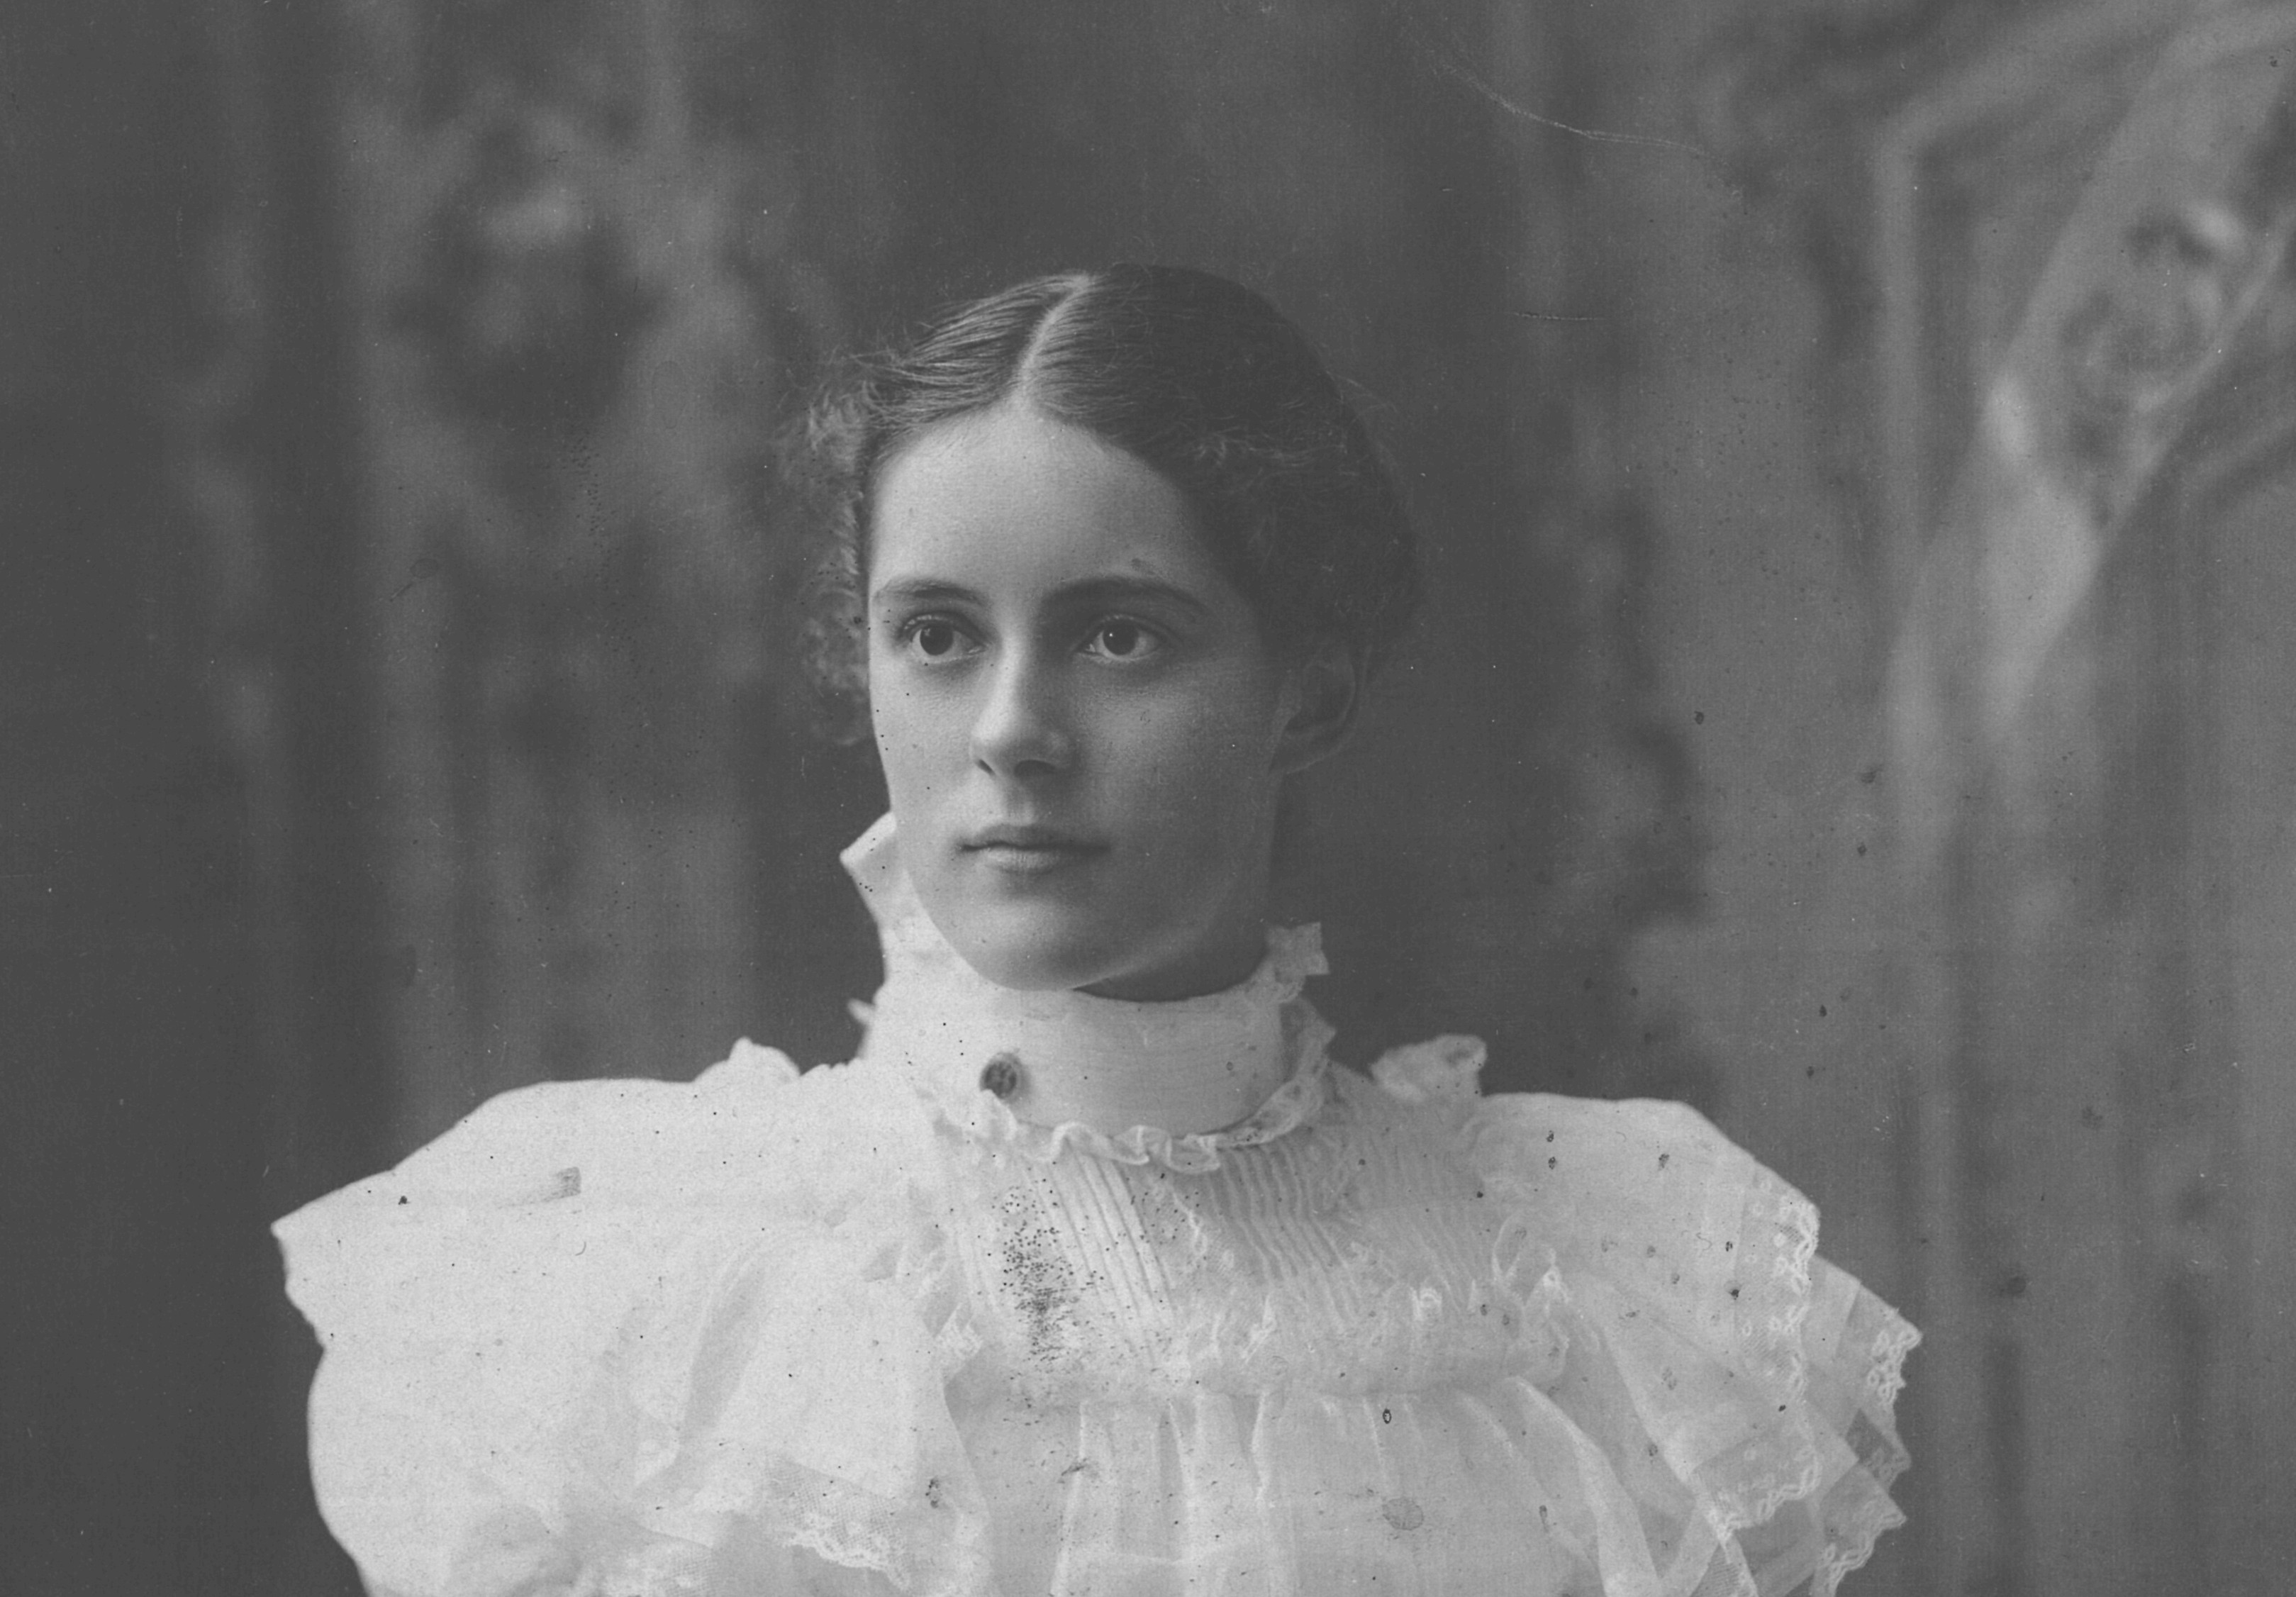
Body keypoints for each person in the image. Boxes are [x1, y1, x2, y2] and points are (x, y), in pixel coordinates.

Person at [276, 265, 1916, 1597]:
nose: (1010, 730)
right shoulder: (687, 1303)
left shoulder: (1567, 1285)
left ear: (1307, 685)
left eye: (1117, 637)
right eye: (936, 636)